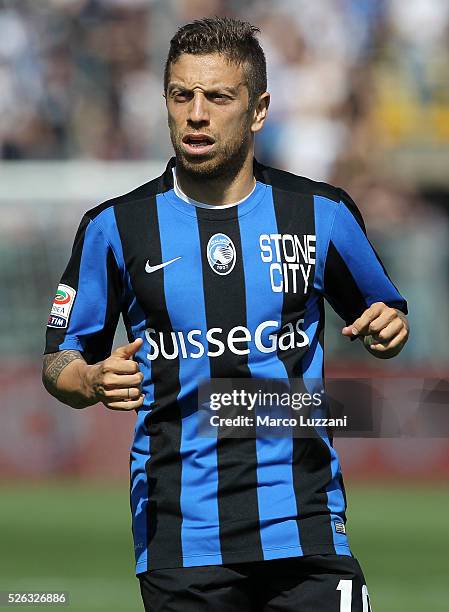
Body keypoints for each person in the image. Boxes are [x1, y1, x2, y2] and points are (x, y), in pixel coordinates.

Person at [42, 16, 409, 612]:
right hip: (180, 536)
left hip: (306, 521)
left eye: (218, 96)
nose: (196, 114)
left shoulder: (323, 214)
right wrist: (86, 378)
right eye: (182, 94)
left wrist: (390, 328)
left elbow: (385, 310)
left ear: (258, 109)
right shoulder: (115, 228)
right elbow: (58, 357)